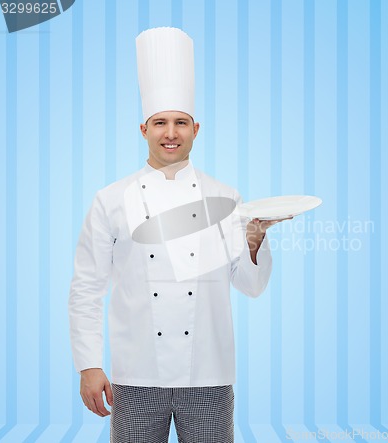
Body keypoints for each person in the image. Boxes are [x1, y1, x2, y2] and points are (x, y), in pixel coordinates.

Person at [69, 27, 290, 443]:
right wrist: (88, 364)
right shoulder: (110, 199)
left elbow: (250, 285)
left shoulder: (226, 197)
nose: (170, 132)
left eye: (180, 123)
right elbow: (86, 287)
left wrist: (256, 241)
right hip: (135, 375)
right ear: (143, 129)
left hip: (209, 373)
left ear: (196, 129)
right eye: (160, 123)